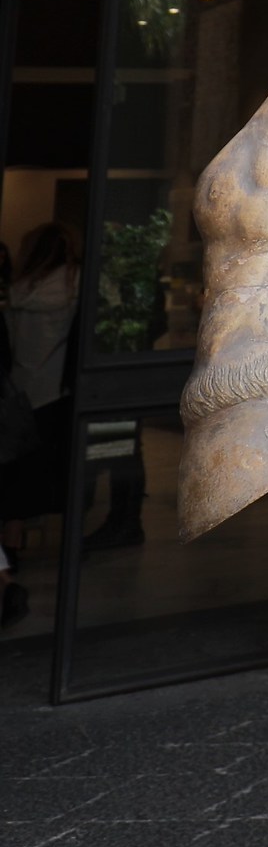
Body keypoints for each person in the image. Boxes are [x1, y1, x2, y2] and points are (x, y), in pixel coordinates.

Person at [0, 218, 82, 628]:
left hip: (18, 392)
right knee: (35, 475)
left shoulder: (17, 293)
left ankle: (9, 547)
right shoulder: (70, 289)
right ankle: (18, 544)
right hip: (53, 393)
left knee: (13, 472)